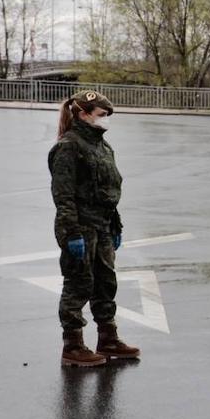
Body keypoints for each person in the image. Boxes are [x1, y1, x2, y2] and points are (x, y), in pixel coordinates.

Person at [49, 90, 141, 367]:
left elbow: (109, 189)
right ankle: (73, 345)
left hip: (102, 225)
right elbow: (63, 195)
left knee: (105, 282)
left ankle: (108, 338)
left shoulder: (102, 146)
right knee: (78, 284)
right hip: (80, 226)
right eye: (101, 115)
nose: (106, 121)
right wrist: (72, 233)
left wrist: (115, 224)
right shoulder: (69, 146)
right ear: (82, 114)